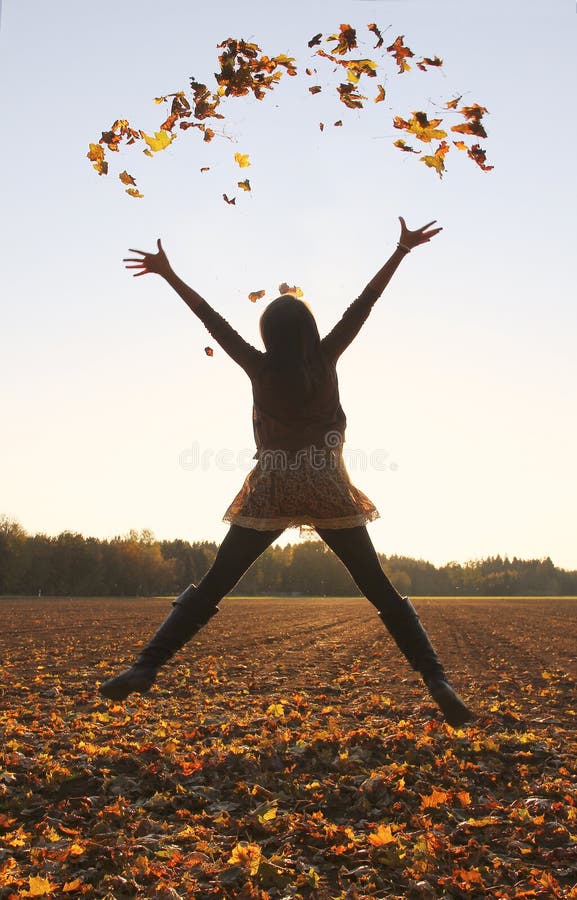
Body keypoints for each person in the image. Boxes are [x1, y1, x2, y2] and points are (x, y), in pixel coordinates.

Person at [99, 217, 473, 728]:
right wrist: (400, 251)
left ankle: (145, 666)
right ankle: (436, 679)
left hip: (274, 485)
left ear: (267, 335)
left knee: (213, 585)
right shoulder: (325, 356)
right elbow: (364, 304)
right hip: (326, 484)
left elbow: (211, 319)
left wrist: (168, 274)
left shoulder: (260, 366)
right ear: (311, 332)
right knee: (380, 591)